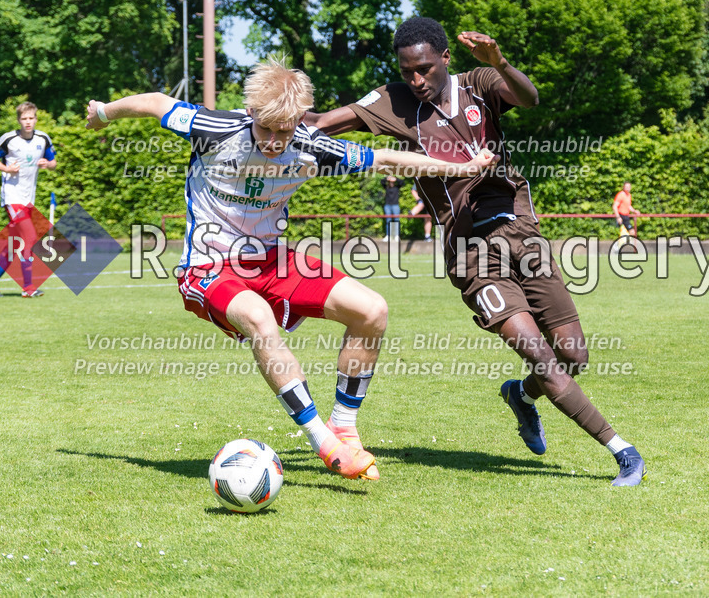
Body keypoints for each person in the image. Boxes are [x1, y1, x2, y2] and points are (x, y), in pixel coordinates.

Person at [84, 57, 495, 481]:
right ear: (251, 113)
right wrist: (102, 113)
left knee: (371, 310)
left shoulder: (312, 144)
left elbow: (386, 160)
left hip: (271, 260)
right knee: (259, 319)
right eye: (267, 130)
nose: (277, 141)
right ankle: (324, 443)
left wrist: (461, 168)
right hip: (208, 266)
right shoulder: (215, 129)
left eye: (287, 130)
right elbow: (154, 102)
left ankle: (344, 427)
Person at [305, 17, 646, 486]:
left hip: (521, 232)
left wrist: (500, 60)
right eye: (407, 71)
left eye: (424, 68)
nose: (415, 80)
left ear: (446, 58)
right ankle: (623, 451)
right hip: (471, 254)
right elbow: (322, 123)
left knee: (572, 355)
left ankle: (521, 397)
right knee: (541, 357)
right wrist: (257, 121)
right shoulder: (393, 101)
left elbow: (529, 98)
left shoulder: (482, 82)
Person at [0, 102, 57, 297]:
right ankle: (28, 288)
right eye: (24, 119)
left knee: (15, 243)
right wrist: (6, 169)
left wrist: (48, 164)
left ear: (36, 119)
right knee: (30, 239)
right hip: (12, 196)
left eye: (31, 118)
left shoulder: (43, 139)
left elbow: (53, 162)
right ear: (18, 120)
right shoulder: (8, 139)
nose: (28, 122)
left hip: (28, 199)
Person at [381, 175, 404, 241]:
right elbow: (382, 182)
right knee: (388, 220)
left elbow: (402, 182)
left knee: (396, 220)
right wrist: (387, 178)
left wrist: (395, 179)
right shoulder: (386, 187)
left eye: (392, 182)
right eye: (390, 182)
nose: (391, 183)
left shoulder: (397, 187)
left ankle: (397, 235)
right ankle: (388, 235)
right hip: (387, 206)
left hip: (395, 206)